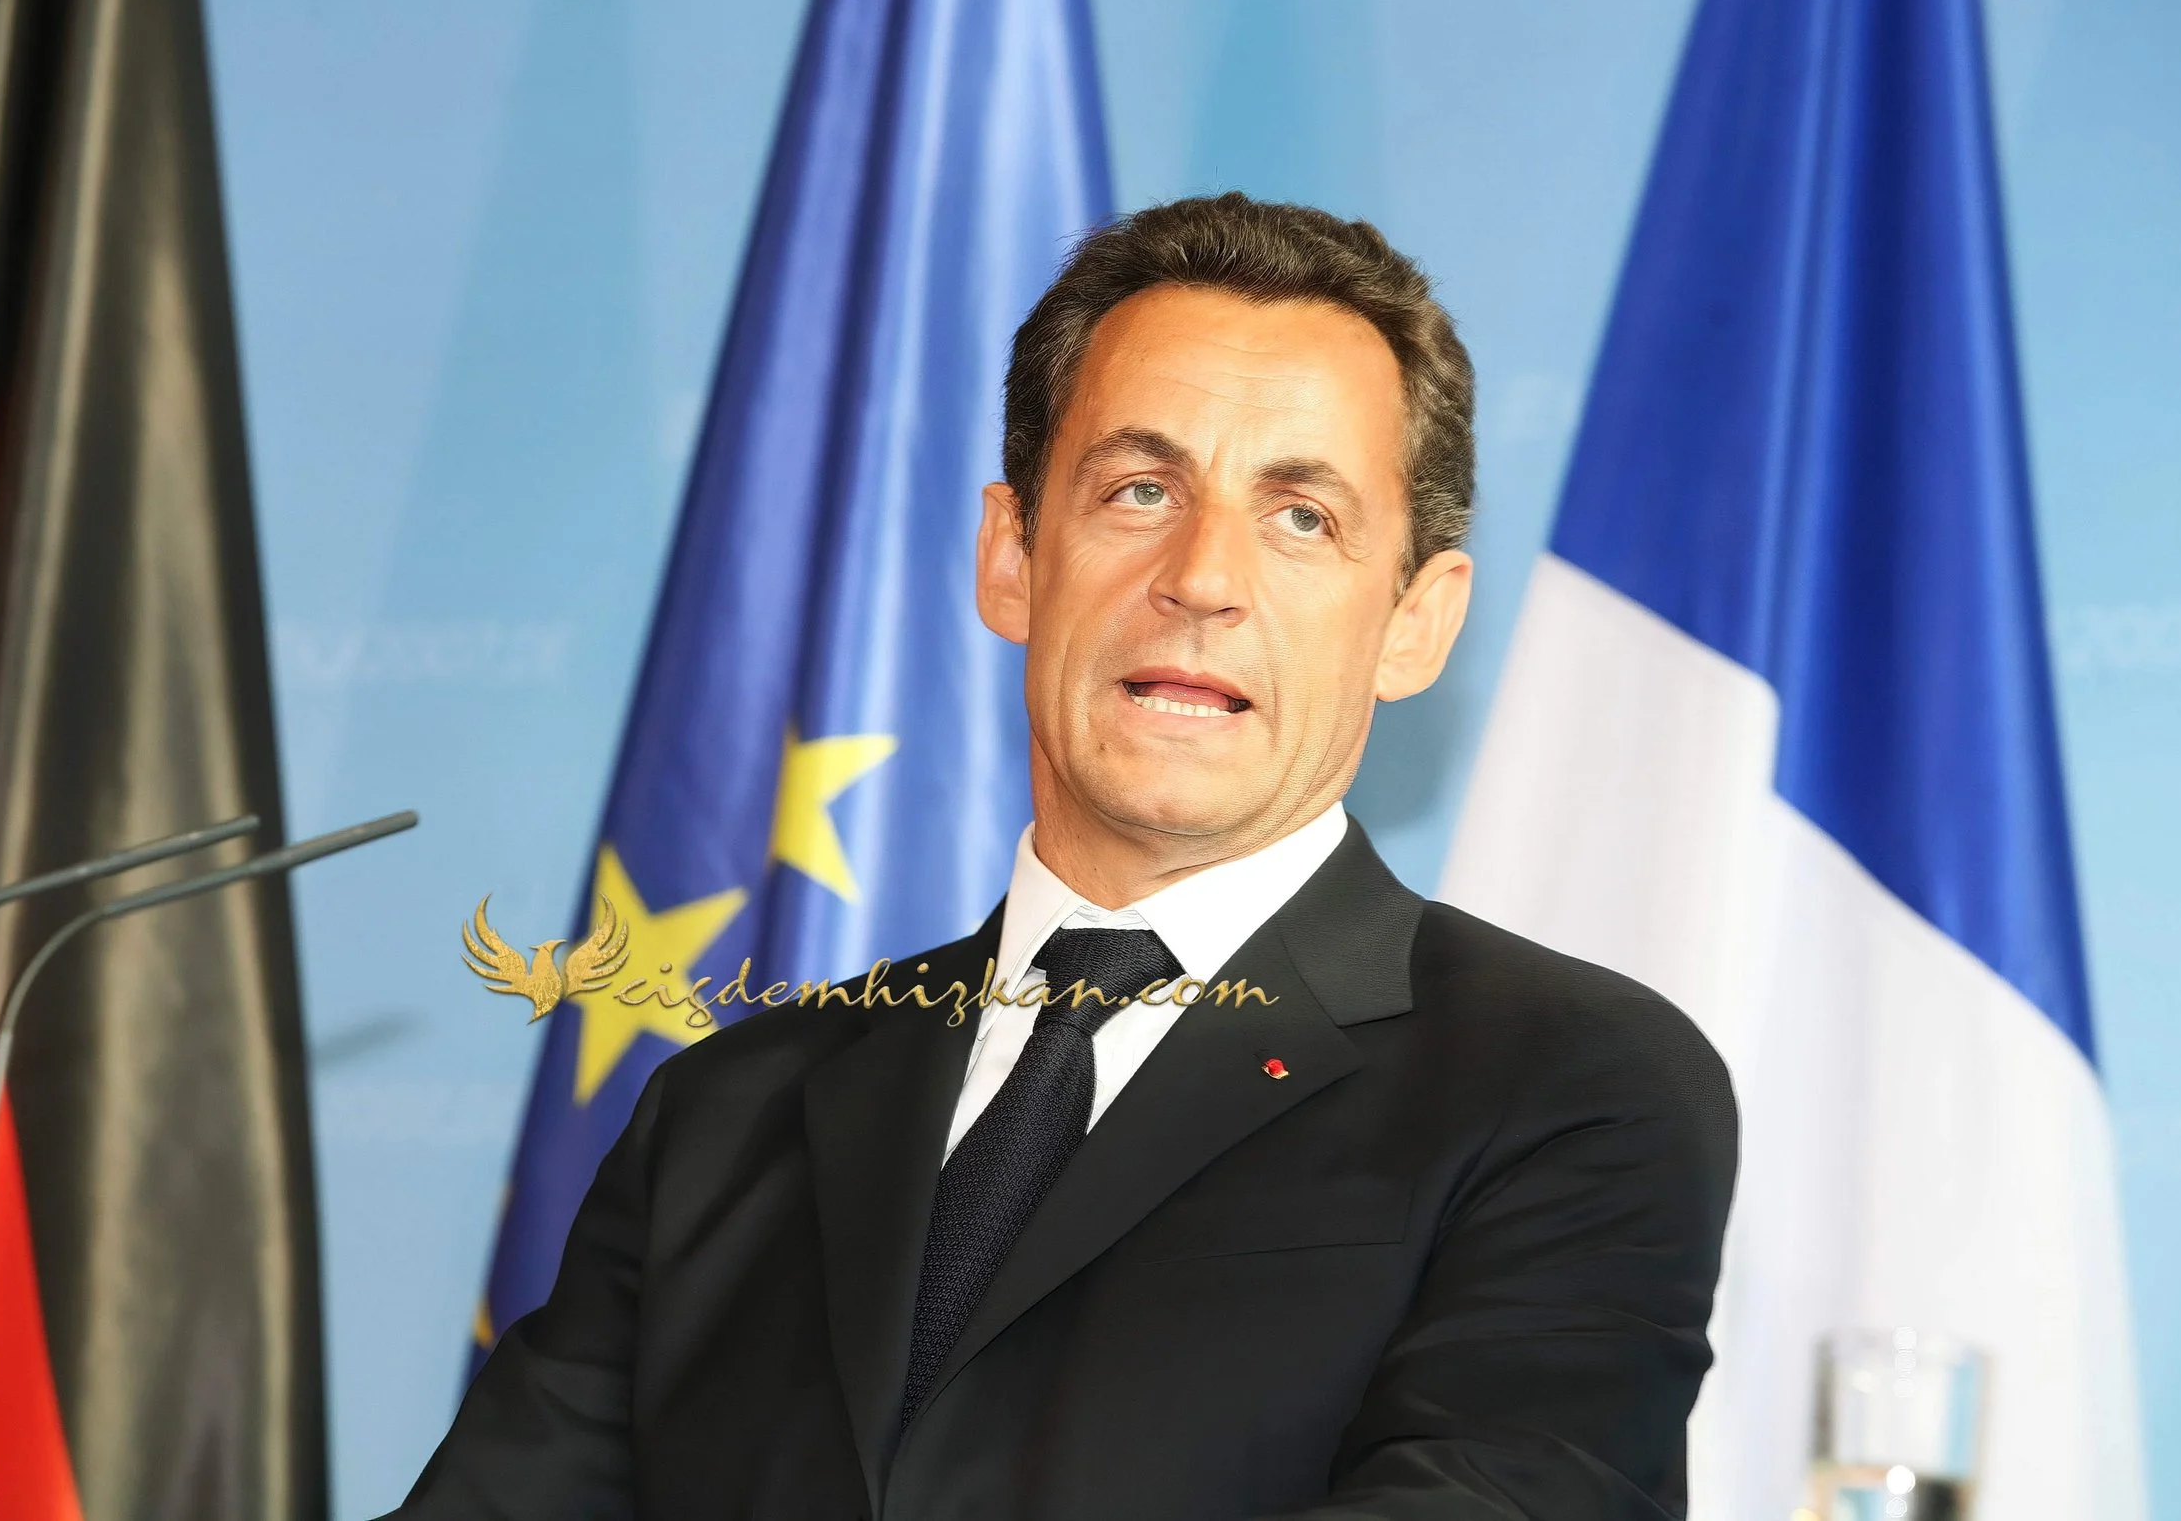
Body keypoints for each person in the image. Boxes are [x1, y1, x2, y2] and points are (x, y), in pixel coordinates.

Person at [389, 194, 1736, 1520]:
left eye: (1301, 517)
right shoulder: (728, 1110)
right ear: (1011, 555)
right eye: (1140, 488)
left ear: (1417, 625)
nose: (1202, 575)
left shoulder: (1568, 1083)